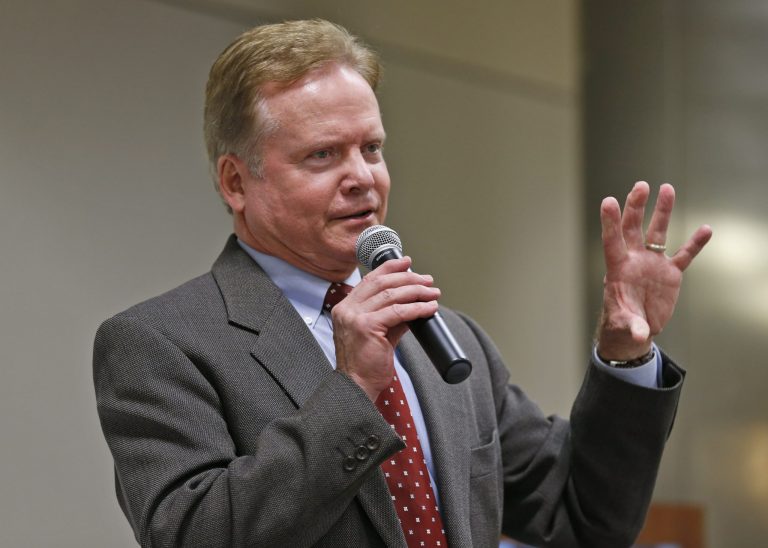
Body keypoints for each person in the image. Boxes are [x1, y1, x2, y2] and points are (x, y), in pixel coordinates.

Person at [93, 19, 712, 548]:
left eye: (372, 148)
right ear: (236, 182)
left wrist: (624, 353)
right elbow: (195, 534)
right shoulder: (159, 343)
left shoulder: (445, 337)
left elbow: (582, 519)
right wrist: (354, 388)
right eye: (322, 155)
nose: (363, 177)